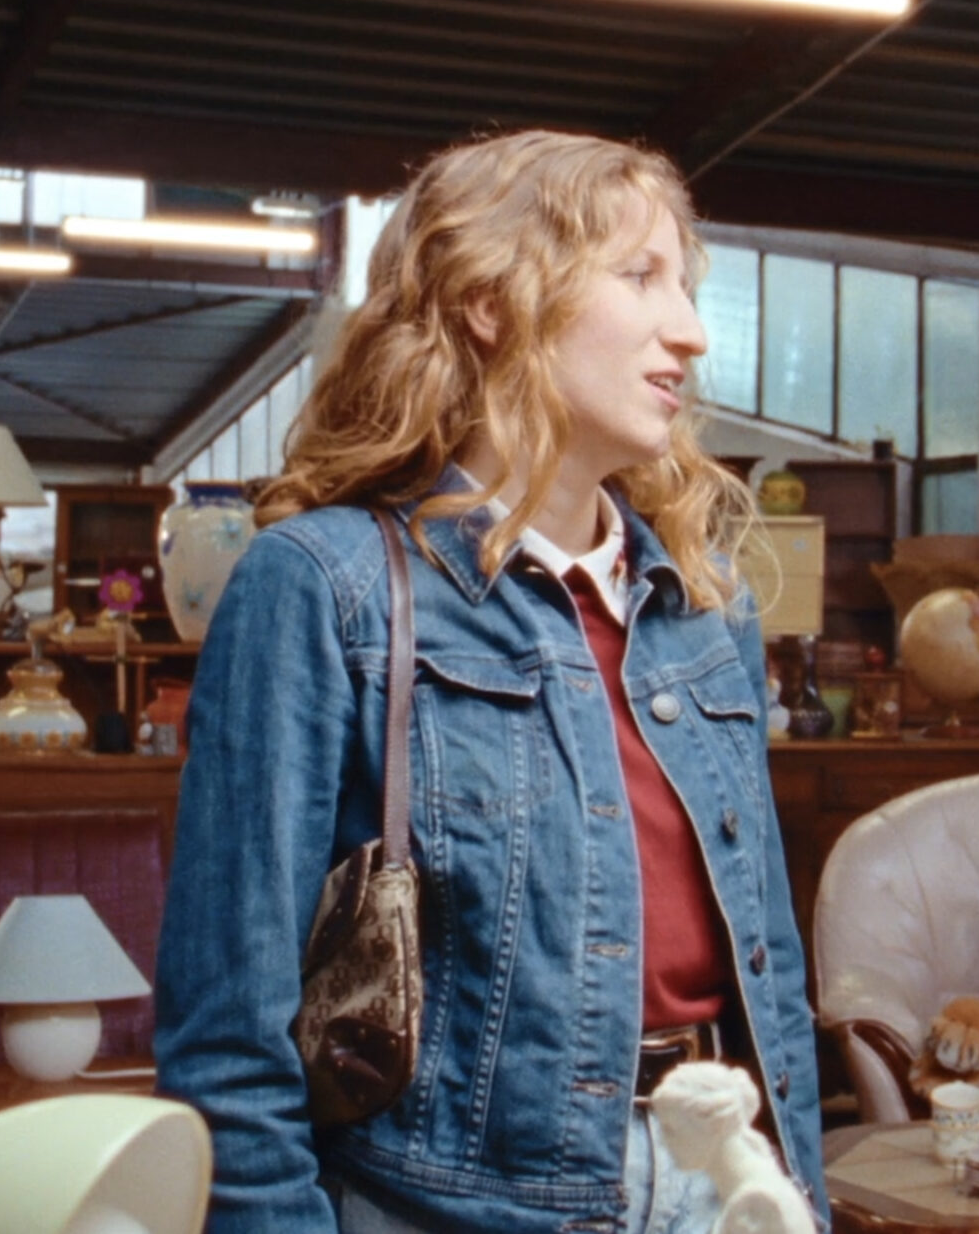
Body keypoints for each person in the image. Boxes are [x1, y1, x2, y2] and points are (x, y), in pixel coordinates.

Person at [154, 130, 825, 1233]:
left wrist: (798, 1196)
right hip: (450, 1206)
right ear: (489, 302)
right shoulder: (324, 586)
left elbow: (772, 972)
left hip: (722, 1177)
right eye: (640, 276)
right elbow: (229, 1037)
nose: (691, 332)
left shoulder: (707, 606)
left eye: (688, 287)